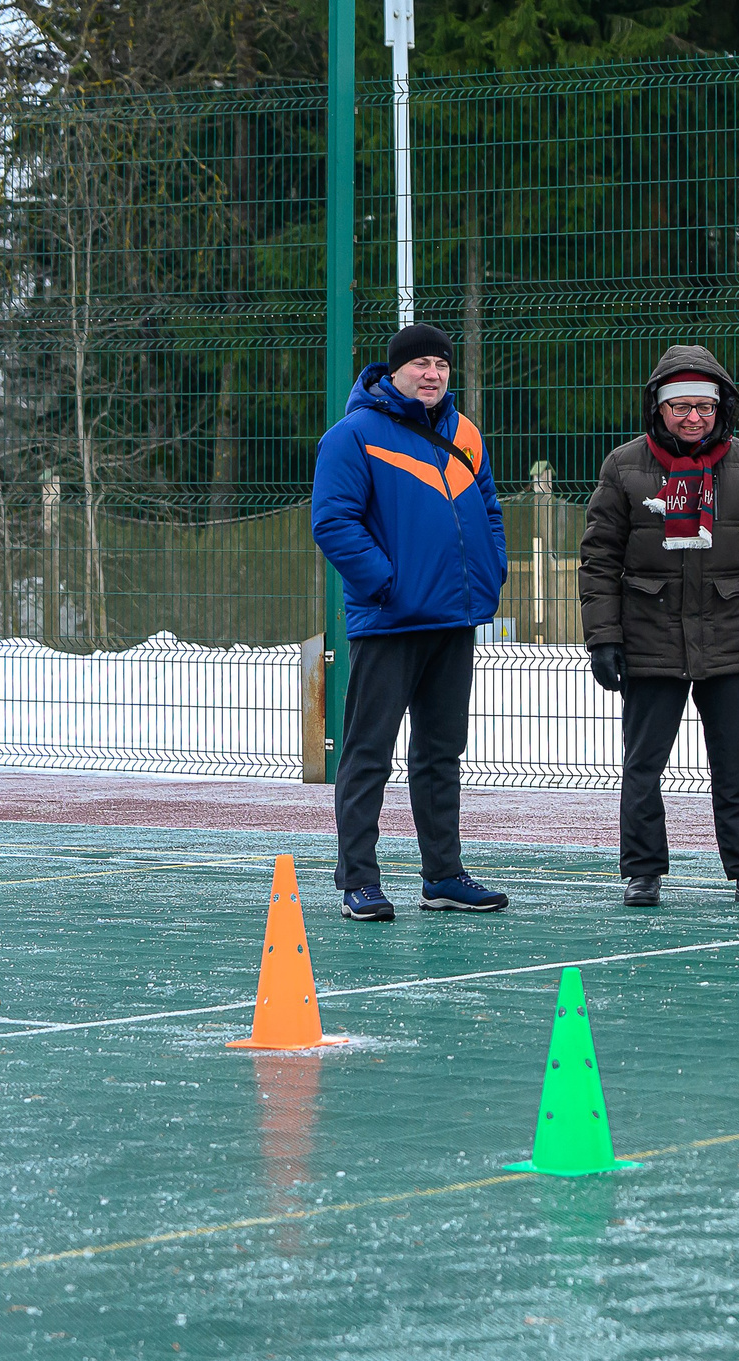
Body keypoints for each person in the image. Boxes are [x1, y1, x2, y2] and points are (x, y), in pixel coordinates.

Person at [579, 346, 739, 908]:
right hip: (649, 637)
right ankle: (643, 870)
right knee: (643, 763)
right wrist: (603, 637)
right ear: (658, 409)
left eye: (704, 406)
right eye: (680, 408)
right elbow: (599, 558)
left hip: (732, 637)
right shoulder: (623, 467)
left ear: (722, 408)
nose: (693, 418)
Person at [311, 322, 511, 922]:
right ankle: (359, 882)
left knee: (440, 754)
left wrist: (491, 572)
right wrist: (387, 586)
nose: (432, 374)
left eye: (441, 365)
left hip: (455, 619)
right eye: (420, 364)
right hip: (390, 623)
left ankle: (443, 876)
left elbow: (491, 511)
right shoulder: (352, 436)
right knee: (368, 752)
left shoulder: (465, 434)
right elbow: (334, 523)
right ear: (392, 371)